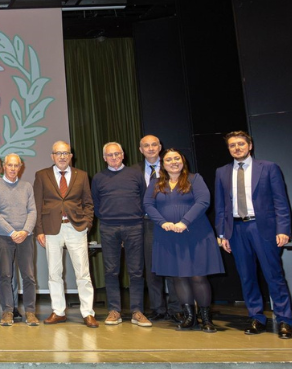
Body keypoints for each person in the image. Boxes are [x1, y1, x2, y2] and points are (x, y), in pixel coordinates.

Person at [214, 131, 292, 339]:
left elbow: (281, 202)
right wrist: (222, 234)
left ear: (250, 146)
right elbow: (221, 207)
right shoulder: (222, 172)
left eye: (241, 144)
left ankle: (285, 320)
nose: (237, 148)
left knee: (273, 275)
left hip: (263, 228)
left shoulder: (268, 168)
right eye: (232, 145)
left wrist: (283, 229)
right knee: (246, 276)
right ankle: (256, 317)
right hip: (236, 230)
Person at [145, 149, 224, 333]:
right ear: (162, 164)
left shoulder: (195, 179)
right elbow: (148, 204)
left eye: (176, 158)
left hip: (195, 233)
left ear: (183, 161)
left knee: (198, 276)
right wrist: (162, 222)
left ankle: (205, 318)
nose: (173, 162)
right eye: (168, 159)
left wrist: (184, 222)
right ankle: (189, 318)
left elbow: (203, 202)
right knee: (179, 276)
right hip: (168, 235)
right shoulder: (156, 183)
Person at [34, 141, 97, 328]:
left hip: (76, 228)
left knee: (83, 273)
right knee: (54, 273)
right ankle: (58, 311)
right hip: (51, 229)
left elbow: (88, 203)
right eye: (58, 153)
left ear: (71, 156)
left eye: (66, 153)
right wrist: (39, 230)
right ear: (52, 156)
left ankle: (87, 312)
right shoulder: (42, 175)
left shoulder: (82, 175)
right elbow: (37, 204)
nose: (62, 156)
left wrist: (87, 223)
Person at [92, 143, 152, 328]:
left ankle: (137, 311)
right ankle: (114, 311)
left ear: (123, 155)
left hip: (134, 226)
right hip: (109, 227)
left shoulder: (135, 175)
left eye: (117, 154)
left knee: (136, 271)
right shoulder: (98, 178)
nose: (114, 157)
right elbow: (96, 202)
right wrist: (109, 217)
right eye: (110, 155)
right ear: (104, 158)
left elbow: (144, 197)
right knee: (111, 271)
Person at [132, 135, 180, 323]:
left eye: (154, 145)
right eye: (146, 145)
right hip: (147, 224)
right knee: (151, 268)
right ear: (140, 149)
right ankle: (158, 308)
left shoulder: (173, 166)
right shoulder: (133, 171)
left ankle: (176, 308)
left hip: (171, 223)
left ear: (160, 147)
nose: (150, 148)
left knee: (173, 267)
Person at [0, 154, 39, 327]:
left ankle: (30, 312)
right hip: (4, 237)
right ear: (4, 166)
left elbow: (32, 211)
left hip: (25, 237)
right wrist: (11, 232)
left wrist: (25, 231)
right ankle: (7, 312)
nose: (12, 168)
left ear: (20, 167)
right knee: (5, 275)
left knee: (29, 276)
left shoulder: (27, 187)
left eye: (15, 165)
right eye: (9, 165)